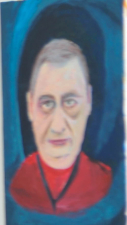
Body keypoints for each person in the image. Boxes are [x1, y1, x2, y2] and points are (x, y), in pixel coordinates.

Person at [9, 38, 113, 214]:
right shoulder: (15, 185)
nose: (58, 126)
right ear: (30, 106)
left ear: (88, 101)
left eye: (70, 102)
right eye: (47, 104)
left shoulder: (106, 183)